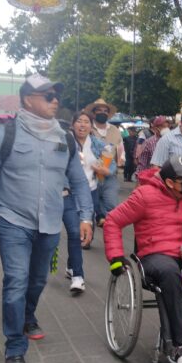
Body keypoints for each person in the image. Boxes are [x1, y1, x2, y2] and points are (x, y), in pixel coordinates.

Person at [0, 74, 93, 363]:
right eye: (48, 96)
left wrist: (86, 216)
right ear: (28, 100)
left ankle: (28, 316)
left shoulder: (65, 139)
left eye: (56, 95)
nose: (55, 101)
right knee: (16, 280)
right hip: (13, 220)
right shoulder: (2, 137)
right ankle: (15, 347)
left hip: (50, 222)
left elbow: (79, 181)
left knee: (38, 280)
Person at [104, 156, 182, 363]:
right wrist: (116, 257)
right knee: (170, 273)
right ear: (170, 182)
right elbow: (113, 221)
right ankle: (180, 341)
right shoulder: (144, 196)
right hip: (155, 254)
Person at [65, 112, 113, 294]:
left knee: (84, 231)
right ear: (72, 124)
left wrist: (104, 169)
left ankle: (71, 265)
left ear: (91, 127)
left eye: (86, 122)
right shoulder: (66, 142)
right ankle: (78, 276)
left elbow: (110, 162)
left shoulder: (98, 144)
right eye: (79, 121)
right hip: (69, 192)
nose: (82, 125)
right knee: (74, 231)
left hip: (90, 190)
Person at [87, 98, 122, 227]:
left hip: (110, 174)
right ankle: (95, 224)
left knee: (112, 205)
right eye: (99, 110)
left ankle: (110, 227)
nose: (103, 112)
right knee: (92, 206)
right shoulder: (88, 128)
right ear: (94, 112)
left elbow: (120, 149)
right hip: (92, 174)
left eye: (105, 111)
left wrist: (120, 162)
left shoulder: (115, 130)